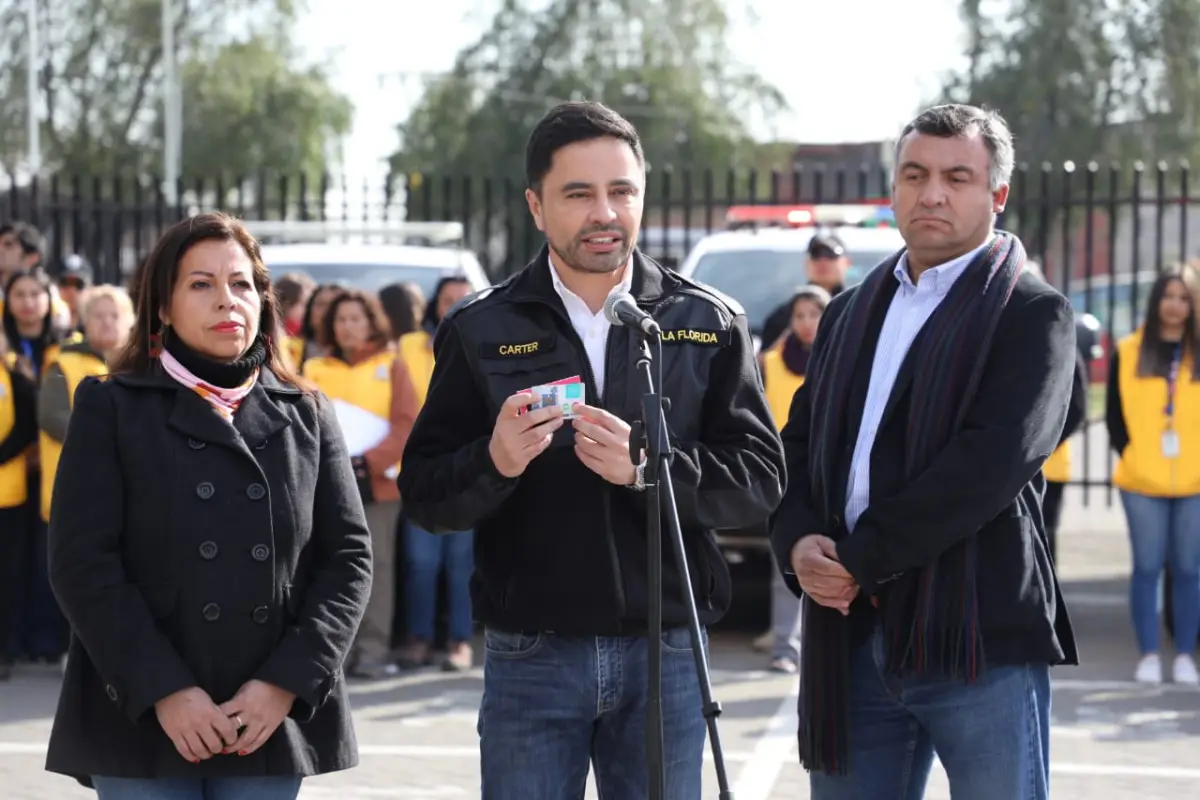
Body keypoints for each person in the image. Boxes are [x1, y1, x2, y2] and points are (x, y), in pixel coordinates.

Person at [398, 101, 785, 799]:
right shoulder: (481, 328)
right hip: (531, 656)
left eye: (621, 191)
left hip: (666, 654)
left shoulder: (705, 321)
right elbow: (426, 494)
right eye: (578, 194)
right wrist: (496, 464)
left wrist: (650, 469)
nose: (604, 212)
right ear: (536, 207)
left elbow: (759, 479)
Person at [769, 103, 1078, 800]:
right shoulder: (849, 310)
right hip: (849, 640)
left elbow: (988, 467)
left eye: (956, 177)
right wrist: (796, 544)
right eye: (915, 174)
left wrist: (858, 559)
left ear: (996, 195)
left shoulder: (1032, 315)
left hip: (975, 636)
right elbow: (799, 443)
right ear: (895, 189)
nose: (932, 193)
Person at [43, 211, 374, 800]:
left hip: (265, 717)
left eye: (241, 283)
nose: (227, 300)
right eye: (201, 284)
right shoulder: (111, 407)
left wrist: (284, 684)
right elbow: (82, 564)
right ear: (163, 307)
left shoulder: (306, 412)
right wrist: (166, 691)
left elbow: (348, 560)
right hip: (142, 714)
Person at [302, 288, 417, 679]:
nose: (348, 326)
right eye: (341, 319)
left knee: (378, 569)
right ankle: (336, 653)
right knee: (328, 568)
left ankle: (373, 651)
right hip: (325, 485)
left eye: (356, 318)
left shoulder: (393, 365)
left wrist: (368, 462)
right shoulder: (315, 369)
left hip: (378, 485)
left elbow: (407, 424)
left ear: (371, 322)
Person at [1106, 266, 1200, 685]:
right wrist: (1133, 453)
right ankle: (1148, 654)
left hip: (1195, 484)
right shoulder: (1128, 350)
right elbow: (1112, 417)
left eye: (1184, 297)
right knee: (1146, 568)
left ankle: (1183, 654)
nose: (1175, 305)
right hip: (1141, 482)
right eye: (1169, 296)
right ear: (1156, 300)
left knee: (1189, 569)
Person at [396, 275, 476, 671]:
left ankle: (459, 640)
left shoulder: (488, 340)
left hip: (469, 464)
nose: (456, 306)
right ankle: (419, 637)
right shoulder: (410, 345)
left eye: (465, 299)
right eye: (448, 300)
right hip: (423, 464)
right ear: (434, 305)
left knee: (461, 562)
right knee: (421, 561)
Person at [758, 284, 829, 673]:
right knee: (785, 561)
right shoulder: (768, 362)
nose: (805, 323)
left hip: (830, 472)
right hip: (784, 474)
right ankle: (785, 646)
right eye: (799, 315)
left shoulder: (845, 357)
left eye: (814, 314)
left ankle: (826, 649)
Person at [759, 232, 850, 350]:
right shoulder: (783, 318)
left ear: (847, 263)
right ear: (806, 264)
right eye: (816, 255)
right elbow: (765, 363)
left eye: (830, 255)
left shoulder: (859, 309)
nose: (823, 262)